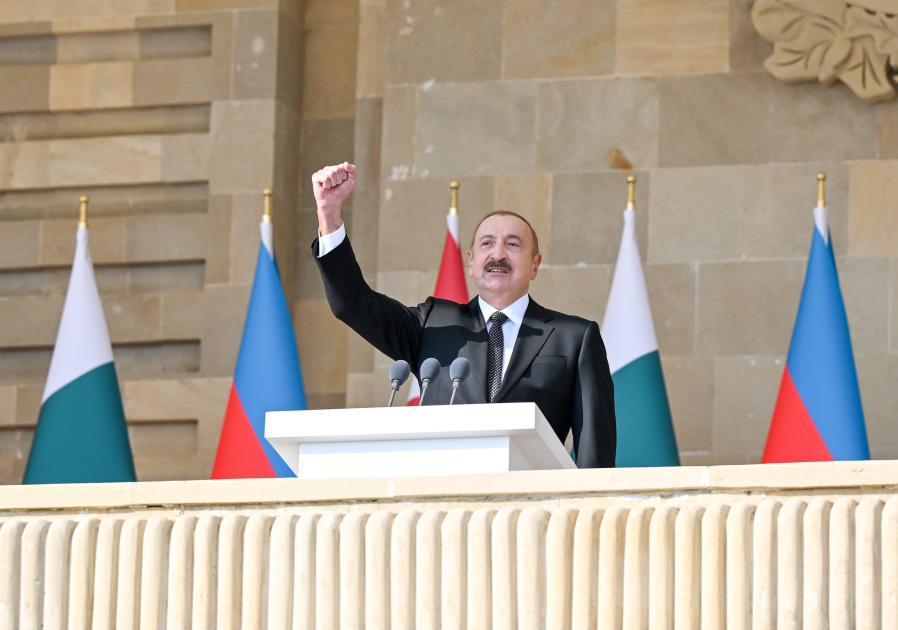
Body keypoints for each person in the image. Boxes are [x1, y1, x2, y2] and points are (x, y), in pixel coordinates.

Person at [312, 162, 616, 468]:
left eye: (513, 244)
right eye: (487, 244)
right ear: (471, 263)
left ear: (535, 264)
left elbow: (595, 452)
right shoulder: (433, 323)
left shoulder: (574, 337)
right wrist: (329, 213)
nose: (498, 255)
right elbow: (352, 304)